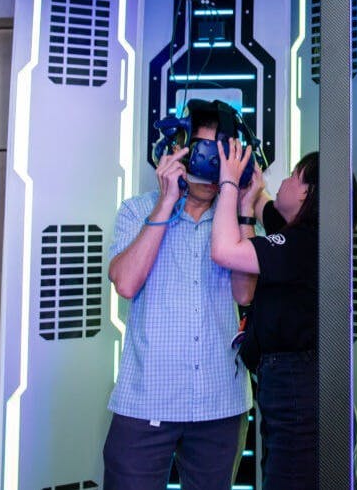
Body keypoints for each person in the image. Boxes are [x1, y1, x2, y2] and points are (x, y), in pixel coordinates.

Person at [103, 100, 254, 490]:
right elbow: (126, 283)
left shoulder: (237, 223)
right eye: (202, 153)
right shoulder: (137, 211)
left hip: (220, 402)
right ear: (179, 151)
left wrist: (243, 206)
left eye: (221, 156)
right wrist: (166, 201)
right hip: (146, 400)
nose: (209, 168)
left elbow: (245, 292)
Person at [211, 145, 321, 490]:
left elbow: (225, 252)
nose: (283, 182)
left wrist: (228, 183)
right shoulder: (302, 234)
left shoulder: (301, 242)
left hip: (296, 388)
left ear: (306, 192)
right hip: (289, 383)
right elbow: (262, 206)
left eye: (292, 176)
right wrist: (249, 194)